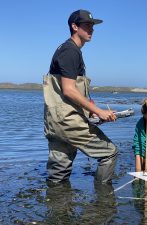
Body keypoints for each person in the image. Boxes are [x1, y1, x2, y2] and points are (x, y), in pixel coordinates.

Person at [43, 9, 118, 184]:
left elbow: (70, 91)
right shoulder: (71, 51)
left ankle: (57, 207)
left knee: (58, 174)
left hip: (56, 122)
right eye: (87, 25)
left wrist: (90, 111)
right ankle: (103, 201)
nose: (91, 29)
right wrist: (99, 111)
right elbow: (69, 90)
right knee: (110, 153)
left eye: (92, 26)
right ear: (74, 26)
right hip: (69, 122)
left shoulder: (66, 49)